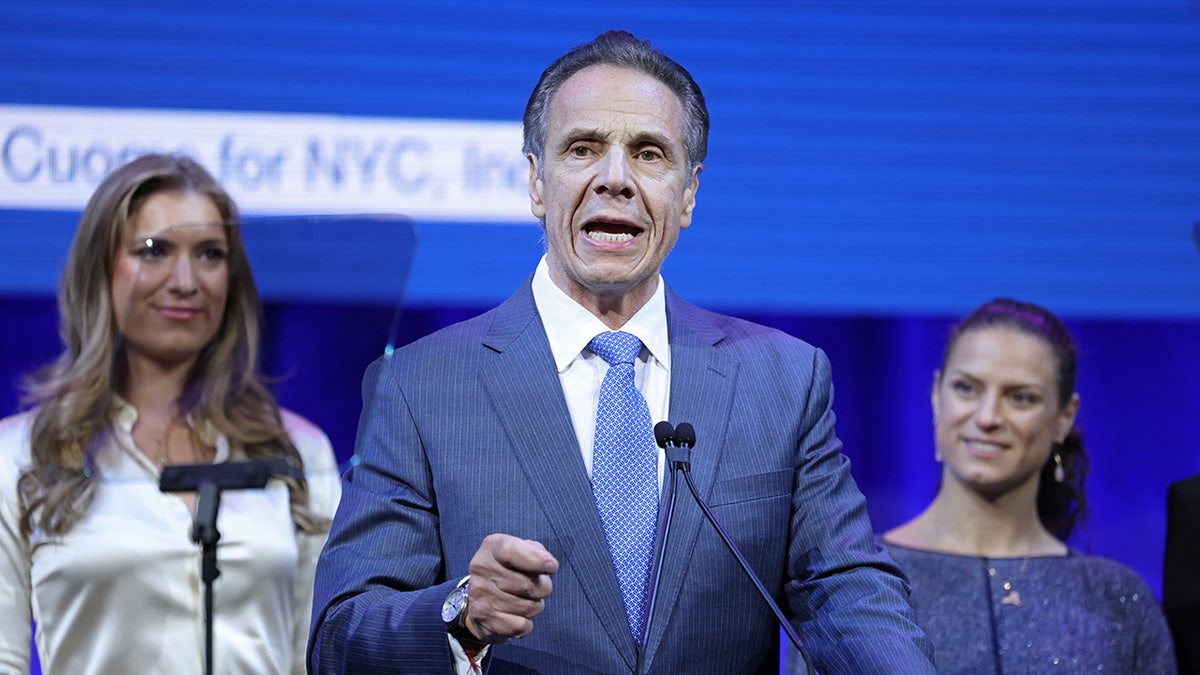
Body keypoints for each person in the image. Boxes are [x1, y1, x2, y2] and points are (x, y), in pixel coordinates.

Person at [309, 30, 935, 674]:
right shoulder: (423, 385)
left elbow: (851, 598)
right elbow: (338, 638)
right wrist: (461, 613)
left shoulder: (781, 379)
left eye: (649, 154)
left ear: (688, 193)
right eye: (583, 149)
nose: (616, 179)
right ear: (535, 180)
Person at [0, 153, 341, 674]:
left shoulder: (296, 450)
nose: (185, 280)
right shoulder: (20, 454)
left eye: (209, 254)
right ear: (101, 268)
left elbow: (317, 657)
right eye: (153, 251)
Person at [880, 298, 1175, 673]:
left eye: (1020, 397)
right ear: (937, 396)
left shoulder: (1113, 598)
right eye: (966, 388)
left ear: (1064, 417)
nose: (987, 417)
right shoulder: (861, 583)